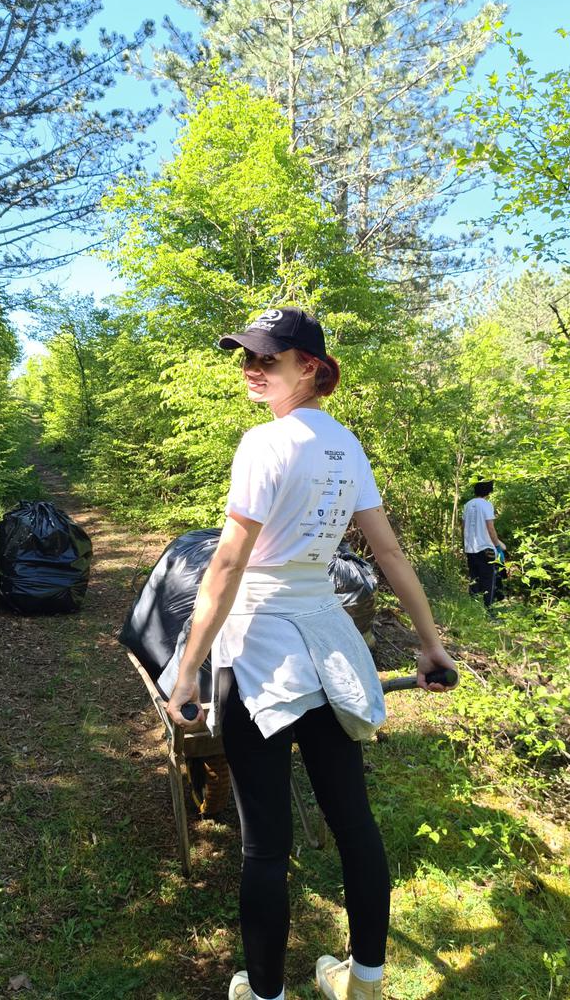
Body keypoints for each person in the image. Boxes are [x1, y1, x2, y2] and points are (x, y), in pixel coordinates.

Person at [165, 307, 457, 1000]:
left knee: (265, 845)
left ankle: (265, 994)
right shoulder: (342, 444)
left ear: (312, 368)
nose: (251, 369)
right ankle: (365, 982)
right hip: (329, 644)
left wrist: (184, 675)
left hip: (262, 645)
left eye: (267, 359)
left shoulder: (263, 445)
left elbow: (228, 566)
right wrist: (429, 643)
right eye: (246, 357)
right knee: (352, 822)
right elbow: (384, 552)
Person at [462, 480, 507, 610]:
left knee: (474, 579)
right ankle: (489, 611)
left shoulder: (468, 505)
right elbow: (490, 528)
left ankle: (474, 609)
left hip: (470, 549)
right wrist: (498, 547)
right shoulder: (486, 505)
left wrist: (465, 544)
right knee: (489, 580)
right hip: (486, 549)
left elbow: (463, 527)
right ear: (488, 491)